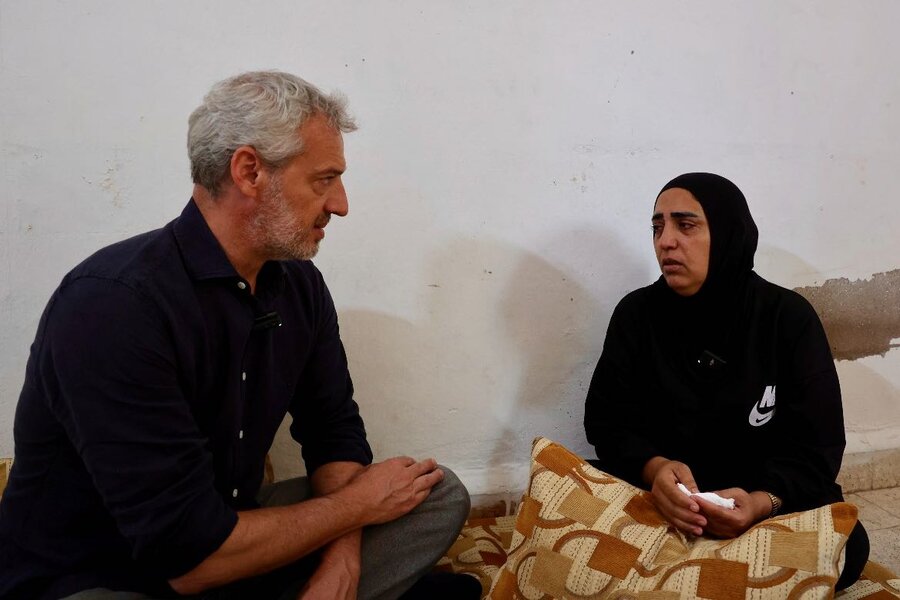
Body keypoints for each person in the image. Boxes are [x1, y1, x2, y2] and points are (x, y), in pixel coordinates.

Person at [0, 71, 479, 600]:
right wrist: (357, 507)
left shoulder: (299, 286)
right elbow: (186, 556)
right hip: (104, 573)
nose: (340, 204)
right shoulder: (113, 303)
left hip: (227, 540)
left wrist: (339, 565)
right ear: (249, 171)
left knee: (436, 494)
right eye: (324, 179)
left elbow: (333, 433)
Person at [584, 172, 869, 590]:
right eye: (657, 226)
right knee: (570, 499)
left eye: (685, 225)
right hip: (662, 502)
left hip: (761, 508)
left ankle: (678, 576)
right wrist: (655, 469)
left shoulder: (786, 318)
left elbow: (817, 448)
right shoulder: (637, 314)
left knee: (849, 544)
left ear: (728, 232)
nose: (666, 241)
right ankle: (720, 578)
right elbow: (607, 422)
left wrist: (760, 502)